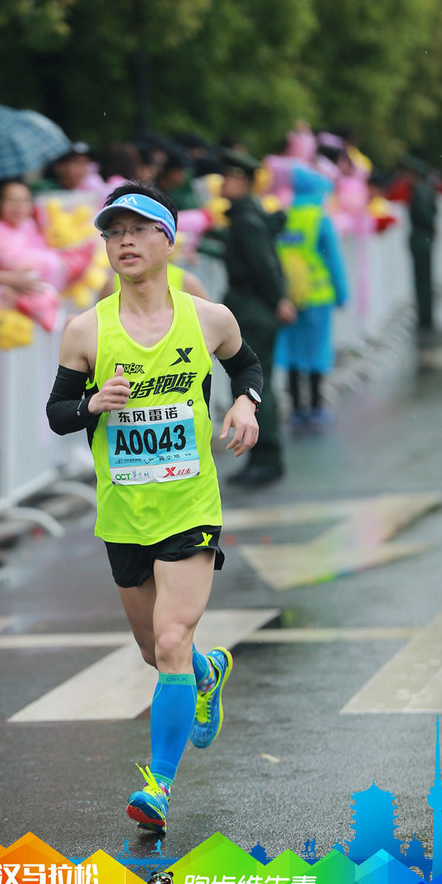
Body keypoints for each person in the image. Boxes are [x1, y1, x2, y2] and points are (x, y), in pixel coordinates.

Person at [47, 182, 263, 833]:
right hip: (123, 511)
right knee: (155, 650)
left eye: (139, 229)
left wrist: (246, 402)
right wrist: (91, 404)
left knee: (172, 638)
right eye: (114, 233)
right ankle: (208, 670)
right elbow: (57, 414)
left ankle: (158, 787)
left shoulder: (207, 317)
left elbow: (247, 364)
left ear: (168, 239)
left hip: (190, 501)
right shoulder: (87, 330)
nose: (125, 242)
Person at [219, 149, 296, 485]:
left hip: (253, 311)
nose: (223, 183)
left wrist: (278, 298)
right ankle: (260, 457)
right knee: (254, 386)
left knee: (255, 388)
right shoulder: (247, 216)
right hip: (253, 309)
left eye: (229, 177)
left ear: (242, 181)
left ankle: (266, 457)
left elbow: (264, 265)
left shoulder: (247, 220)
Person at [274, 166, 349, 427]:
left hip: (290, 295)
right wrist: (342, 293)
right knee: (317, 349)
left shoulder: (285, 215)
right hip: (318, 295)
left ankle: (296, 406)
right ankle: (316, 405)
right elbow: (333, 260)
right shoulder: (320, 218)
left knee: (292, 349)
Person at [401, 155, 438, 339]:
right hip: (425, 237)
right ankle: (426, 317)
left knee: (422, 279)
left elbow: (423, 215)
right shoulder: (427, 189)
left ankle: (425, 318)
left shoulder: (418, 190)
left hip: (420, 238)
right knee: (424, 278)